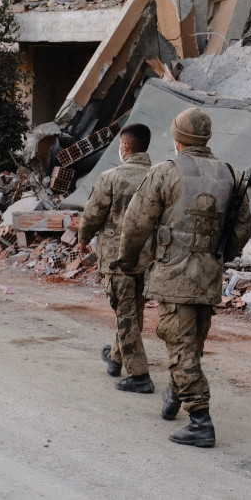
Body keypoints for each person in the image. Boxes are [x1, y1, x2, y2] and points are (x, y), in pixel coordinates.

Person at [113, 108, 251, 448]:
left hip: (174, 274)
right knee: (192, 344)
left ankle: (200, 421)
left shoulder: (165, 172)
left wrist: (128, 260)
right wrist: (220, 255)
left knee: (180, 345)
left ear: (177, 140)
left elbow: (136, 222)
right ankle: (176, 393)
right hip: (208, 277)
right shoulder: (229, 174)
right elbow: (242, 229)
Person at [78, 124, 155, 393]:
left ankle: (139, 376)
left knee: (124, 312)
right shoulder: (159, 177)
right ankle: (115, 358)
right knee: (134, 308)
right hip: (148, 257)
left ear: (124, 147)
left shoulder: (110, 177)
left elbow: (92, 215)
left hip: (117, 258)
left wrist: (83, 238)